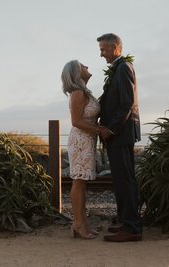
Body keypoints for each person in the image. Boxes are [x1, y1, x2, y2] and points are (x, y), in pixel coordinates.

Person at [97, 33, 142, 242]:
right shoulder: (120, 68)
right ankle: (126, 222)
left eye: (103, 49)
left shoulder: (123, 68)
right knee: (121, 181)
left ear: (115, 47)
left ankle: (132, 228)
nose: (101, 54)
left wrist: (110, 129)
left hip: (121, 134)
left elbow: (126, 103)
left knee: (125, 181)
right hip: (120, 134)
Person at [61, 60, 101, 239]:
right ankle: (78, 224)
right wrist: (100, 130)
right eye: (83, 65)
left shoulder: (84, 92)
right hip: (80, 141)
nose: (87, 66)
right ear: (77, 72)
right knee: (79, 181)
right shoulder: (77, 93)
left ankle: (82, 223)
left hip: (88, 140)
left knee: (82, 183)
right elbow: (76, 121)